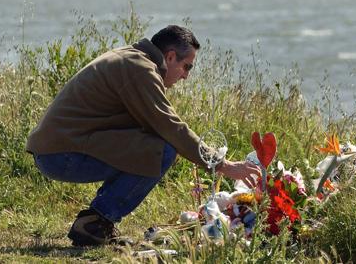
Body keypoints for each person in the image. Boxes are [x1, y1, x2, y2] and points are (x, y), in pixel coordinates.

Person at [26, 25, 260, 246]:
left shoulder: (133, 59)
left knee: (155, 144)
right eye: (187, 66)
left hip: (59, 149)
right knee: (162, 150)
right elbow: (171, 128)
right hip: (60, 155)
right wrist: (222, 165)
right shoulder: (140, 70)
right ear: (169, 57)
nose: (186, 76)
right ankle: (97, 222)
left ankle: (95, 221)